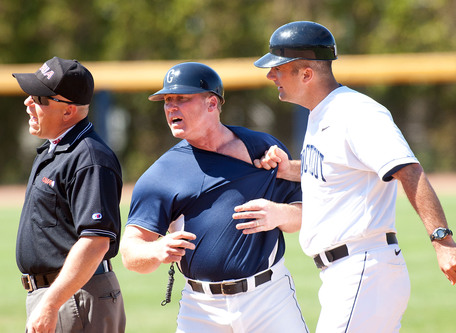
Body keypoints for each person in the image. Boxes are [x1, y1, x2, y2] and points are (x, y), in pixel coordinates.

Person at [253, 21, 456, 332]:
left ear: (306, 74)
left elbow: (408, 169)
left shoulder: (355, 113)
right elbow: (339, 170)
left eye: (278, 68)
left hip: (362, 268)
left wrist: (443, 241)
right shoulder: (321, 112)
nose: (270, 75)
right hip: (352, 273)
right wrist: (291, 168)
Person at [120, 62, 309, 333]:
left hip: (269, 298)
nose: (171, 107)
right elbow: (130, 252)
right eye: (167, 100)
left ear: (212, 103)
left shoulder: (263, 149)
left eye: (182, 99)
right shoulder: (160, 175)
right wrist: (155, 250)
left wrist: (279, 214)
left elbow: (303, 213)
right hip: (201, 310)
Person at [13, 56, 126, 333]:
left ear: (68, 111)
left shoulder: (89, 157)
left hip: (74, 298)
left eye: (40, 98)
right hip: (63, 296)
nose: (29, 102)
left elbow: (96, 241)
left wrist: (51, 304)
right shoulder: (56, 150)